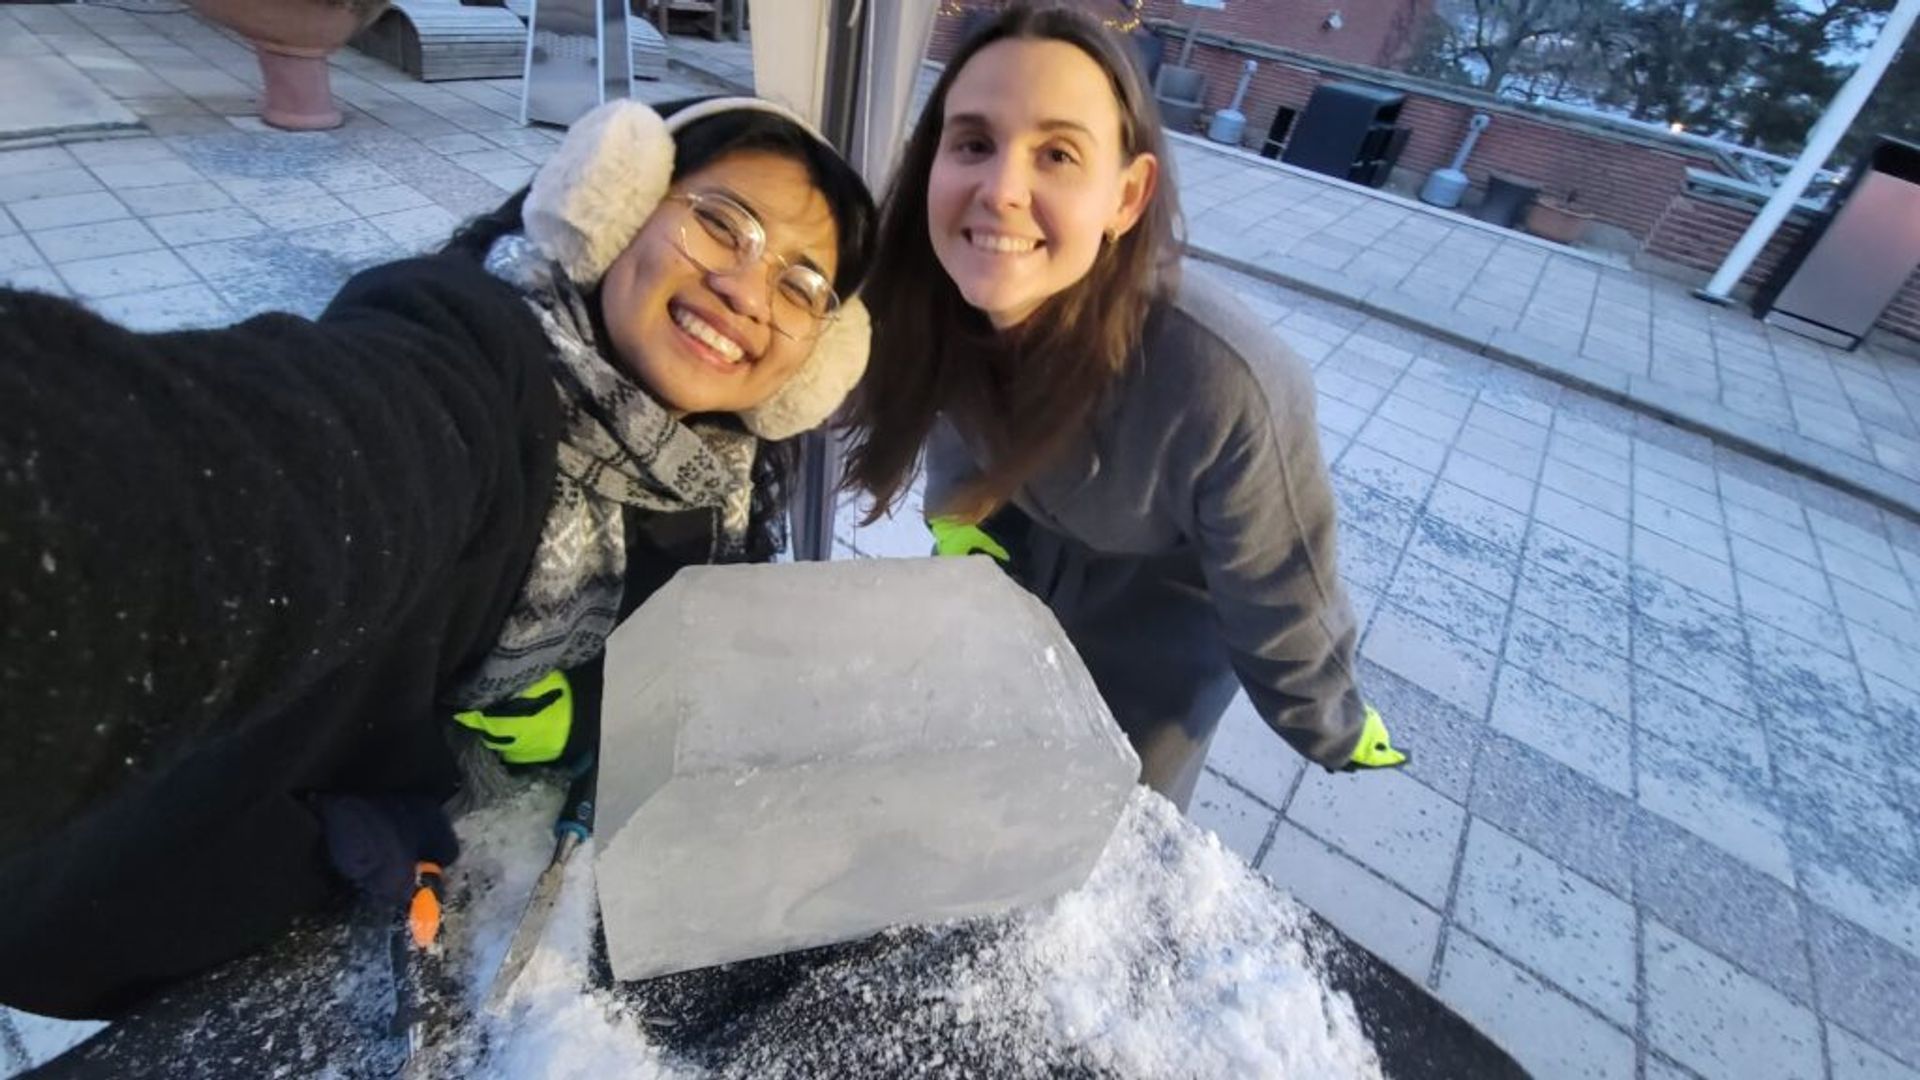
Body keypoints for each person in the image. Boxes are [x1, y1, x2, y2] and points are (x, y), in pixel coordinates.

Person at [0, 95, 875, 1019]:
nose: (747, 288)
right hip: (142, 887)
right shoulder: (473, 363)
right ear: (611, 200)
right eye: (721, 222)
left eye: (801, 283)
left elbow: (704, 683)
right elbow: (280, 463)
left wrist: (593, 718)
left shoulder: (718, 495)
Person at [839, 5, 1406, 811]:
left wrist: (1330, 720)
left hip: (1163, 597)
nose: (1000, 190)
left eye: (1059, 153)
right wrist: (960, 513)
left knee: (1096, 812)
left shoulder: (1222, 380)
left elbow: (1282, 580)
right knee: (956, 755)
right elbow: (918, 401)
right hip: (1012, 533)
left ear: (1127, 196)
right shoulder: (930, 292)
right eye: (972, 143)